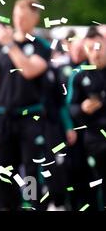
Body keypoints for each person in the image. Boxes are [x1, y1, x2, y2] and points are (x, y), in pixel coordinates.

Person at [0, 0, 51, 210]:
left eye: (24, 16)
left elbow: (30, 70)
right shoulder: (1, 48)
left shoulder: (39, 46)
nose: (18, 21)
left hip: (30, 117)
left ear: (35, 17)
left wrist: (11, 44)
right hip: (4, 117)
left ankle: (31, 205)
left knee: (31, 170)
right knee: (4, 171)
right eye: (16, 15)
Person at [67, 26, 106, 209]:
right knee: (98, 183)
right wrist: (82, 108)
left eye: (99, 48)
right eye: (90, 49)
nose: (95, 54)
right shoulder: (79, 74)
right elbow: (70, 108)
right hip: (95, 137)